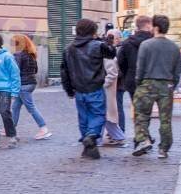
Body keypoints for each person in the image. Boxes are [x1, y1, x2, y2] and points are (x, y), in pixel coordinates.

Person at [60, 19, 116, 159]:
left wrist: (69, 90)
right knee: (97, 115)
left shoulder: (69, 49)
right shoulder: (97, 45)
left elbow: (64, 72)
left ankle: (88, 147)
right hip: (95, 88)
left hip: (79, 90)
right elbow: (111, 54)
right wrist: (109, 43)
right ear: (92, 31)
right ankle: (91, 137)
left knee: (83, 118)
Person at [131, 15, 181, 159]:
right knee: (165, 119)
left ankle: (144, 139)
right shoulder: (174, 47)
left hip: (147, 83)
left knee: (141, 115)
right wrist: (173, 84)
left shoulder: (146, 45)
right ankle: (164, 148)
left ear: (156, 27)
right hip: (166, 84)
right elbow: (177, 71)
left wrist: (138, 82)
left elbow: (140, 68)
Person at [115, 15, 153, 144]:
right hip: (150, 79)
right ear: (148, 25)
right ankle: (143, 135)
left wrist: (127, 75)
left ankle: (142, 135)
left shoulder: (127, 43)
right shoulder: (153, 42)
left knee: (137, 109)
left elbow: (120, 62)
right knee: (147, 110)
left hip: (132, 80)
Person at [10, 33, 51, 140]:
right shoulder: (31, 54)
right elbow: (36, 70)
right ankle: (10, 128)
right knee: (16, 106)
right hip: (31, 83)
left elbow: (15, 71)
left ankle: (44, 129)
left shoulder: (18, 55)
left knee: (31, 107)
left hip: (23, 84)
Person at [101, 30, 127, 146]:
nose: (109, 39)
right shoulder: (109, 49)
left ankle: (119, 132)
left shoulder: (119, 50)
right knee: (109, 111)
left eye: (111, 37)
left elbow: (119, 70)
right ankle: (113, 134)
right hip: (113, 85)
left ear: (117, 38)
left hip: (118, 85)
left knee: (116, 110)